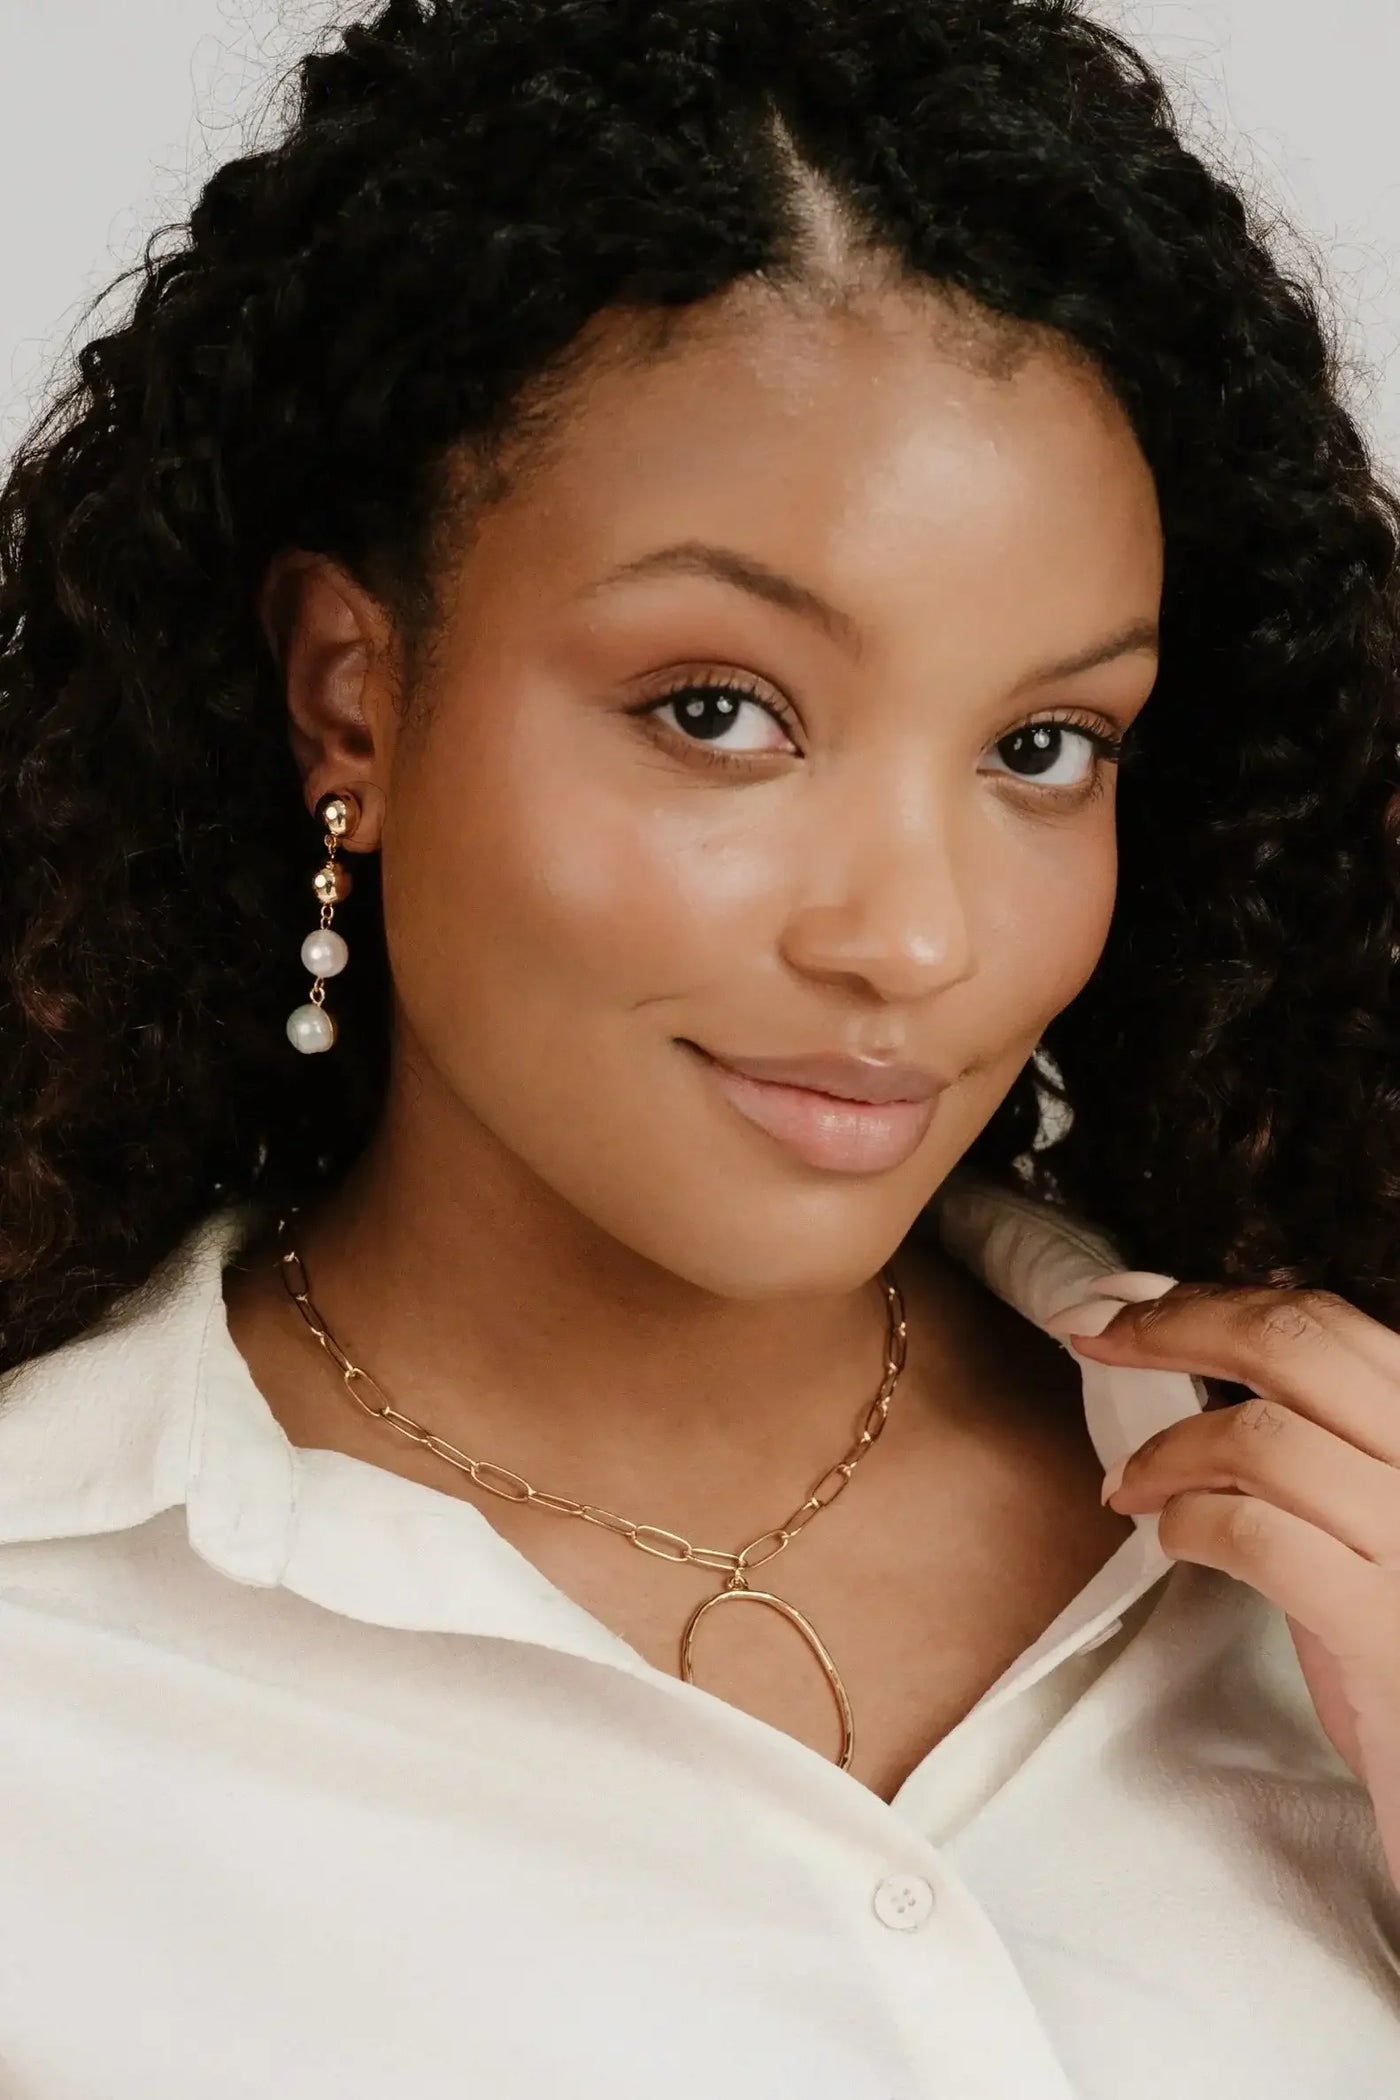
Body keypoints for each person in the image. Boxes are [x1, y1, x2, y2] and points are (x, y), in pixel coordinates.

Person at [2, 0, 1399, 2091]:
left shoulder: (1330, 1546)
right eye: (717, 710)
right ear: (351, 702)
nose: (911, 935)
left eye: (1041, 747)